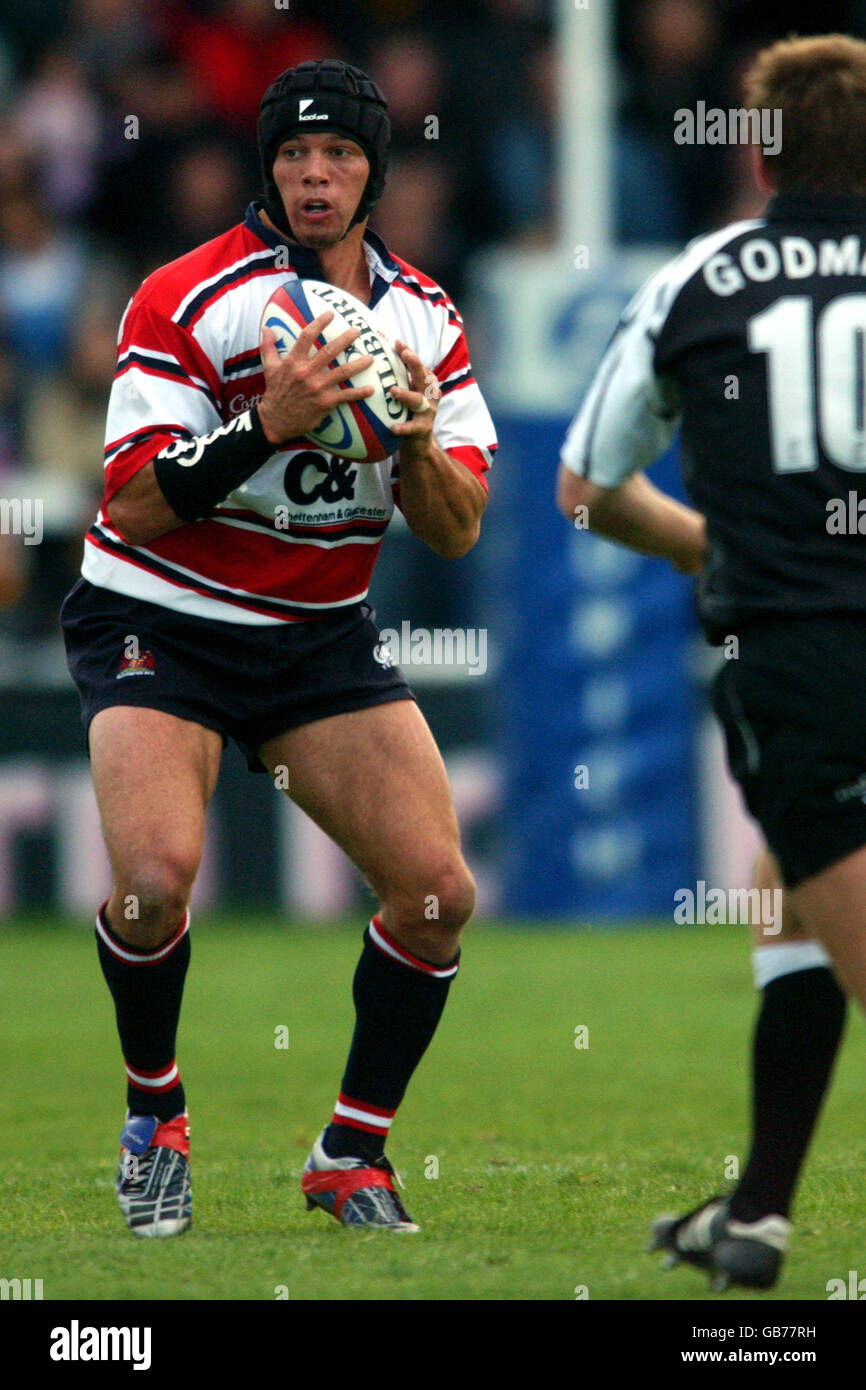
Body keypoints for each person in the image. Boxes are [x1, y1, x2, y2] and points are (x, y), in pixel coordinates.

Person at [61, 59, 497, 1236]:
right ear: (268, 165)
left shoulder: (425, 318)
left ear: (374, 172)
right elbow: (133, 504)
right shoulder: (188, 294)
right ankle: (156, 1116)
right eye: (294, 155)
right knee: (152, 886)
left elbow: (455, 532)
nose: (314, 175)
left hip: (315, 641)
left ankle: (350, 1152)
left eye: (340, 156)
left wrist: (405, 438)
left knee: (437, 893)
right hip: (160, 618)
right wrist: (270, 422)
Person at [555, 33, 866, 1291]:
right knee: (786, 894)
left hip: (801, 656)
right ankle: (758, 1214)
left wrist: (701, 547)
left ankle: (756, 1215)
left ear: (756, 152)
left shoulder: (702, 278)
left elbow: (585, 486)